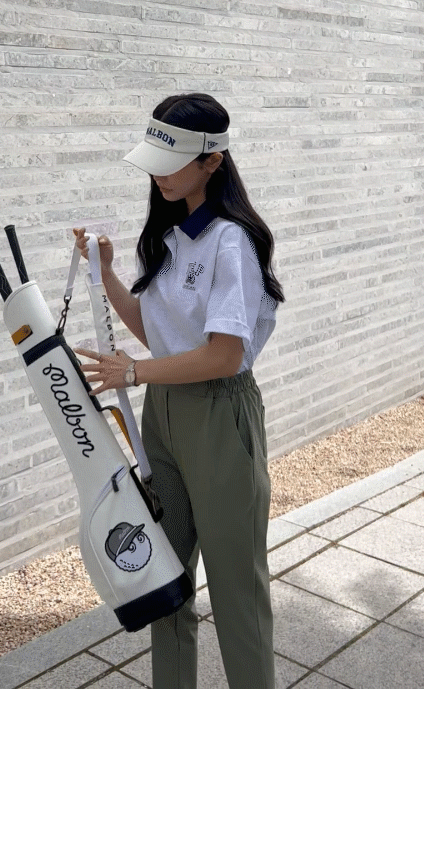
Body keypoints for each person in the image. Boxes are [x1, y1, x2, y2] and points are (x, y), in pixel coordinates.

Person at [73, 91, 285, 689]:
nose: (159, 176)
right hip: (163, 414)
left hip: (219, 417)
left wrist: (134, 373)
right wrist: (106, 273)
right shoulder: (172, 236)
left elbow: (224, 355)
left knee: (237, 590)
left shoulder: (231, 242)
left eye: (171, 164)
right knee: (165, 585)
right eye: (154, 164)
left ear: (212, 161)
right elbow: (158, 333)